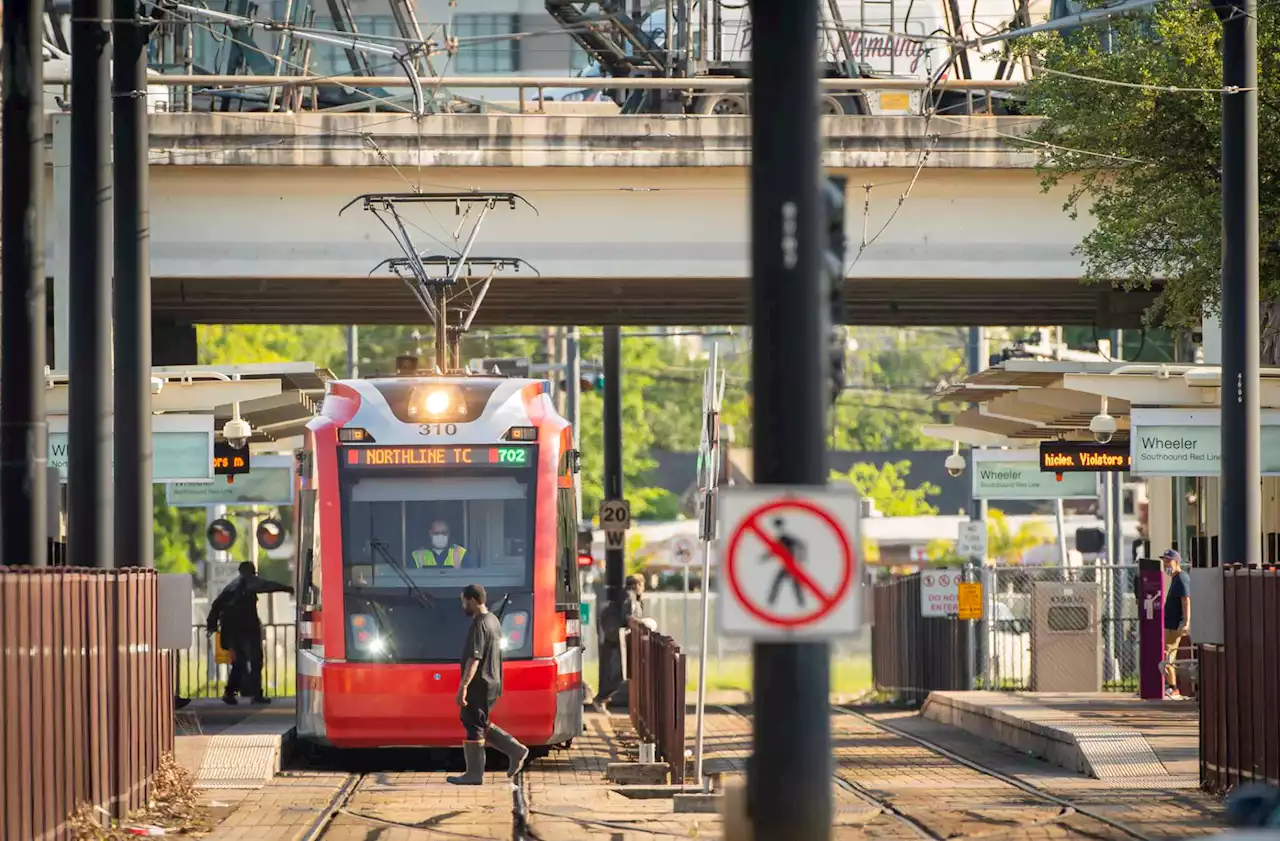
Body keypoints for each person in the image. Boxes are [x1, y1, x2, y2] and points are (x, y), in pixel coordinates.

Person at [447, 583, 529, 785]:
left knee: (472, 723)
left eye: (464, 602)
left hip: (480, 683)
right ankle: (516, 750)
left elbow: (474, 658)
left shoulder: (479, 624)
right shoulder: (493, 620)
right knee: (478, 722)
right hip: (492, 681)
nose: (463, 606)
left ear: (473, 600)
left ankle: (474, 774)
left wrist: (463, 686)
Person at [205, 562, 294, 705]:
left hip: (233, 631)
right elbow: (266, 585)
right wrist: (286, 588)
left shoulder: (231, 585)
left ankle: (230, 693)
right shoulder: (247, 581)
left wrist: (212, 624)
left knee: (239, 663)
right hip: (247, 629)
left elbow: (216, 605)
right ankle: (256, 694)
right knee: (256, 661)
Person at [592, 575, 645, 714]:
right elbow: (627, 616)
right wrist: (638, 625)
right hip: (618, 639)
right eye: (642, 585)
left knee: (615, 672)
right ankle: (601, 698)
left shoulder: (626, 595)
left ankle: (601, 699)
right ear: (638, 584)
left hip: (614, 636)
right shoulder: (629, 596)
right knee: (619, 672)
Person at [1161, 549, 1191, 699]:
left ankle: (1173, 688)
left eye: (1168, 561)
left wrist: (1186, 622)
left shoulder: (1181, 578)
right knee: (1167, 655)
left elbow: (1186, 600)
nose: (1166, 564)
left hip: (1175, 626)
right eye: (1164, 561)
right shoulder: (1175, 579)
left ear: (1177, 562)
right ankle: (1171, 686)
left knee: (1167, 656)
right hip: (1170, 625)